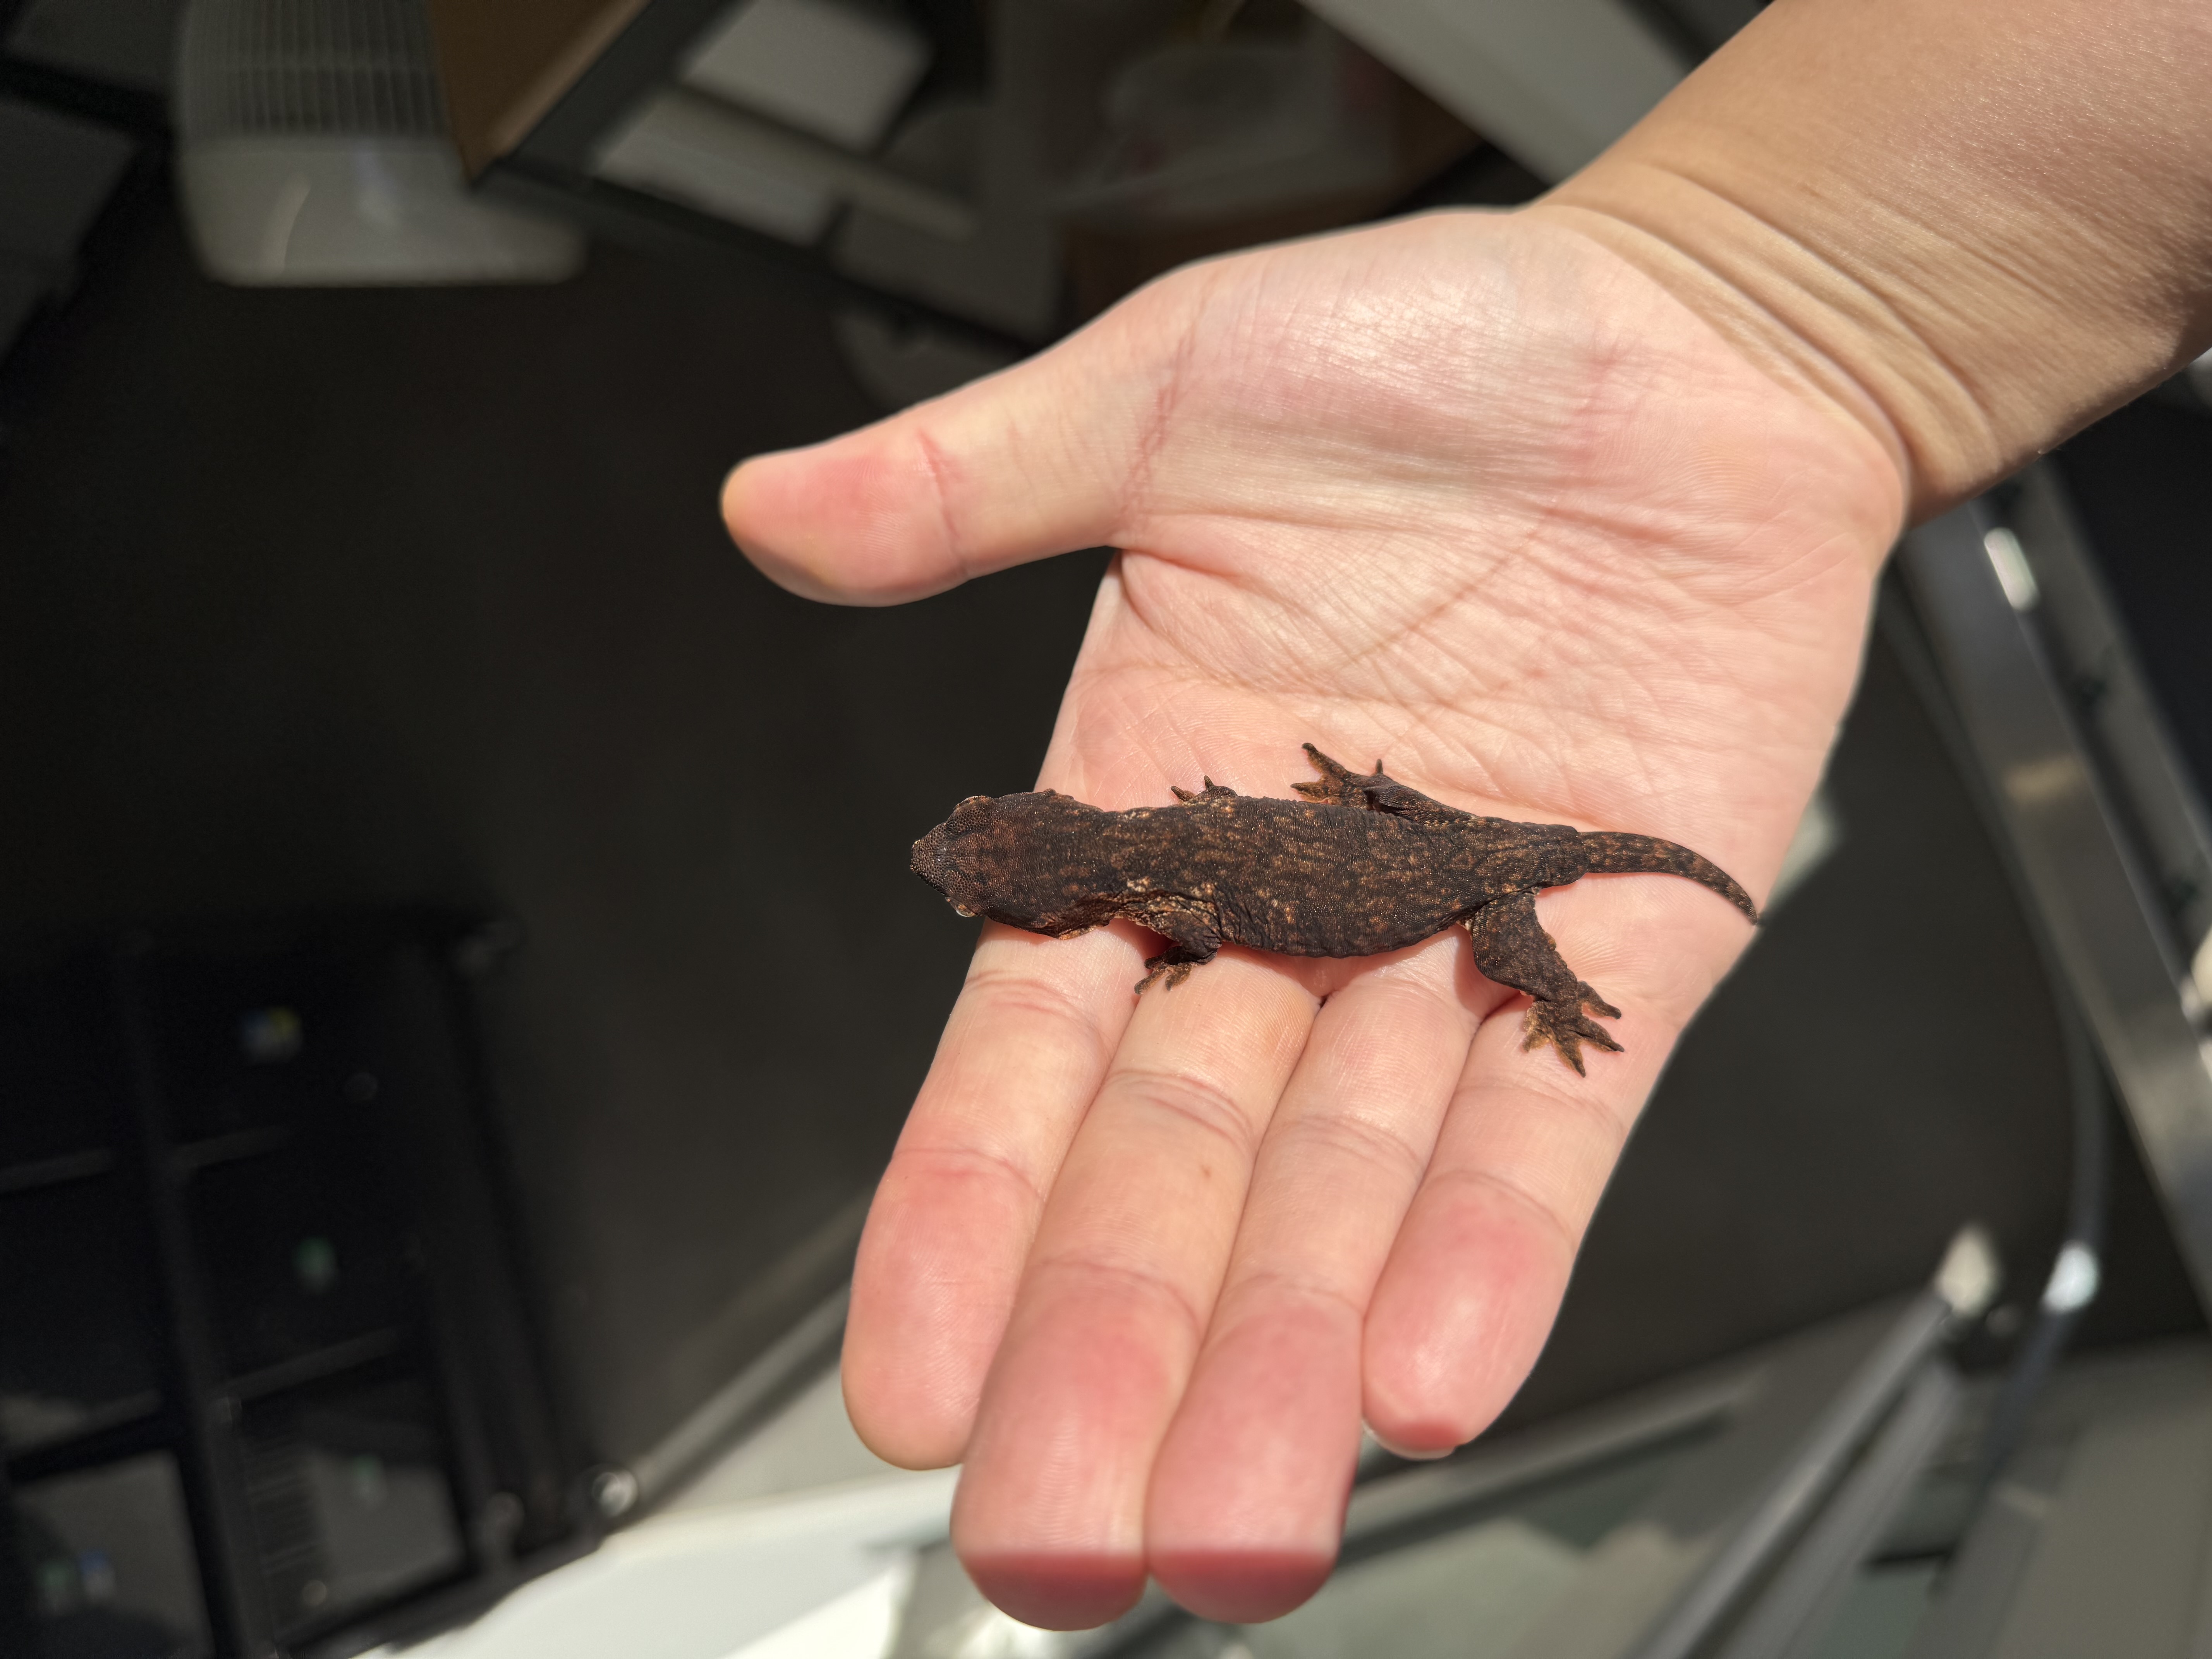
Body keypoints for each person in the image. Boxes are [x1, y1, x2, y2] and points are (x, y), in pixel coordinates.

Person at [721, 0, 2212, 1631]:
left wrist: (1225, 946)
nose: (968, 862)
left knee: (1511, 946)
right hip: (1407, 844)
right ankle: (1533, 939)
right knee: (1464, 904)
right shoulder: (1151, 854)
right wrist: (1777, 297)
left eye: (975, 856)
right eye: (975, 868)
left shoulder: (1159, 889)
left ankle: (1562, 984)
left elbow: (1215, 912)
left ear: (1051, 856)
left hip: (1433, 869)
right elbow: (1215, 885)